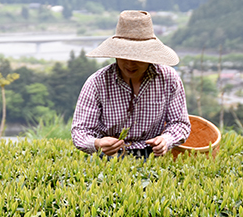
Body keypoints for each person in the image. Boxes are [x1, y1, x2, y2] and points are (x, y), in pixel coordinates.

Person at [72, 10, 190, 159]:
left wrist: (166, 140)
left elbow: (180, 123)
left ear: (149, 55)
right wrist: (98, 143)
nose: (130, 63)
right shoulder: (97, 82)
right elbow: (80, 131)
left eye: (137, 57)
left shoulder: (168, 79)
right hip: (109, 156)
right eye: (123, 56)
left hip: (153, 155)